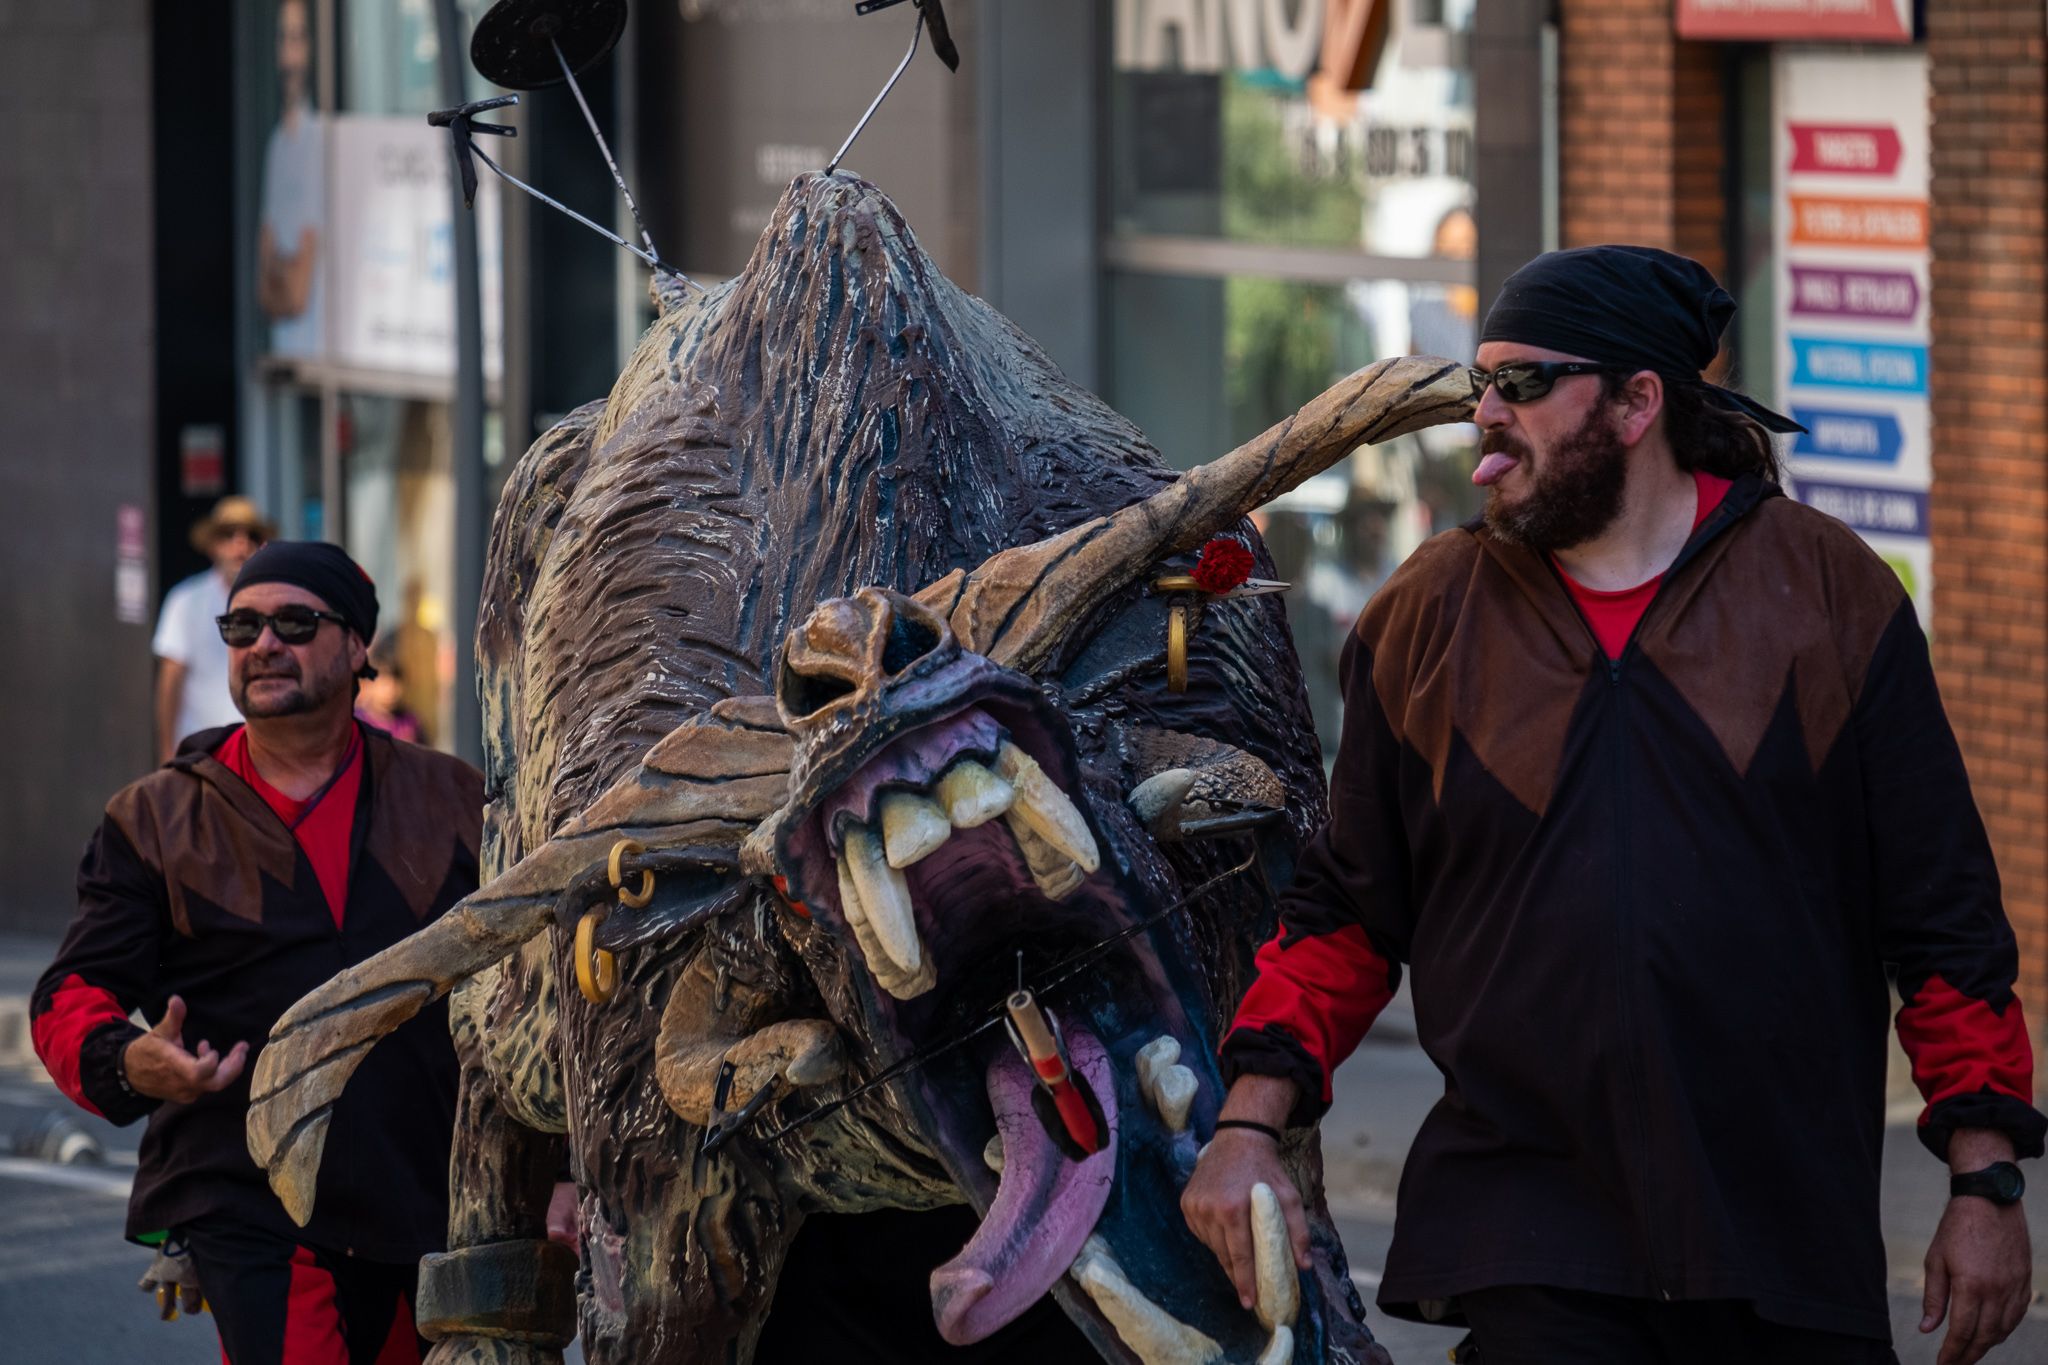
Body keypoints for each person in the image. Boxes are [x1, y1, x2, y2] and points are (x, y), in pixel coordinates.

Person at [1182, 245, 2045, 1365]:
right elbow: (1344, 917)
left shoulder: (1828, 596)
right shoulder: (1424, 617)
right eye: (1478, 383)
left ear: (1638, 402)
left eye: (1524, 384)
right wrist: (1246, 1122)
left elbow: (1941, 921)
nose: (1485, 413)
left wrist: (1984, 1178)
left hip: (1782, 1236)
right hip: (1526, 1235)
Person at [33, 541, 482, 1363]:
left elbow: (534, 989)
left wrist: (554, 1169)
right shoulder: (156, 819)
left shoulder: (452, 798)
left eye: (293, 622)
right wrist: (131, 1060)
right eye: (242, 626)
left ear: (356, 648)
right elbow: (69, 992)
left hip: (423, 1189)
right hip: (247, 1192)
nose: (263, 643)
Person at [154, 496, 274, 764]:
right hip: (202, 754)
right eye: (228, 535)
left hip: (262, 757)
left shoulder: (274, 602)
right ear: (213, 545)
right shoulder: (186, 601)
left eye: (250, 536)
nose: (240, 545)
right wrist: (166, 751)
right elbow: (170, 681)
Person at [257, 0, 324, 359]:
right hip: (286, 350)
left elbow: (296, 292)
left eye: (298, 38)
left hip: (320, 347)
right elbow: (263, 283)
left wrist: (278, 271)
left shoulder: (318, 139)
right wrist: (280, 269)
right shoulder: (278, 143)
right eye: (284, 38)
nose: (290, 55)